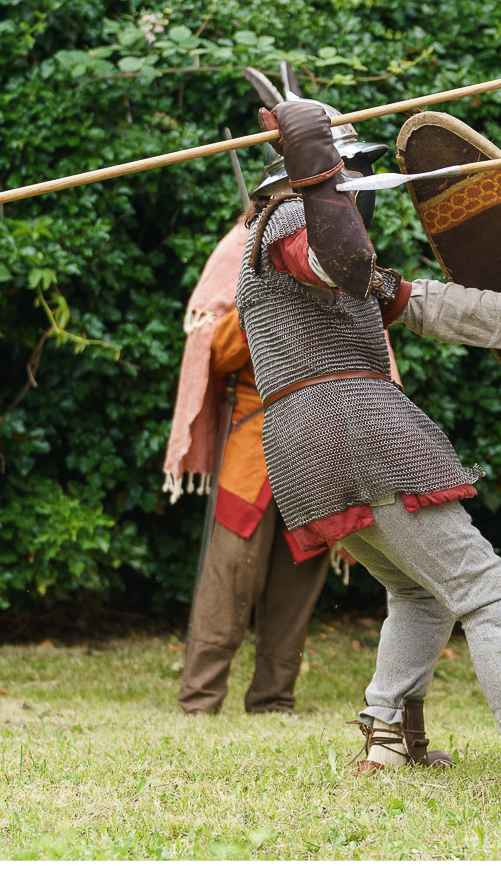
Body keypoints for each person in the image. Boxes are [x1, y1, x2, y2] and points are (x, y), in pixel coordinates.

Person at [235, 96, 501, 793]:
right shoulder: (298, 220)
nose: (356, 195)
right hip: (356, 428)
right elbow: (340, 261)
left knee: (418, 590)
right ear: (323, 173)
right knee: (490, 592)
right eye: (348, 177)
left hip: (306, 442)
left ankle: (389, 737)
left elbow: (419, 301)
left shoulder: (302, 240)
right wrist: (315, 180)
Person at [163, 221, 330, 715]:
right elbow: (214, 347)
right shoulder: (243, 245)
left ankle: (274, 699)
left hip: (323, 433)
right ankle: (201, 698)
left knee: (302, 569)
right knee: (230, 571)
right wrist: (266, 299)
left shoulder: (342, 242)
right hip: (253, 433)